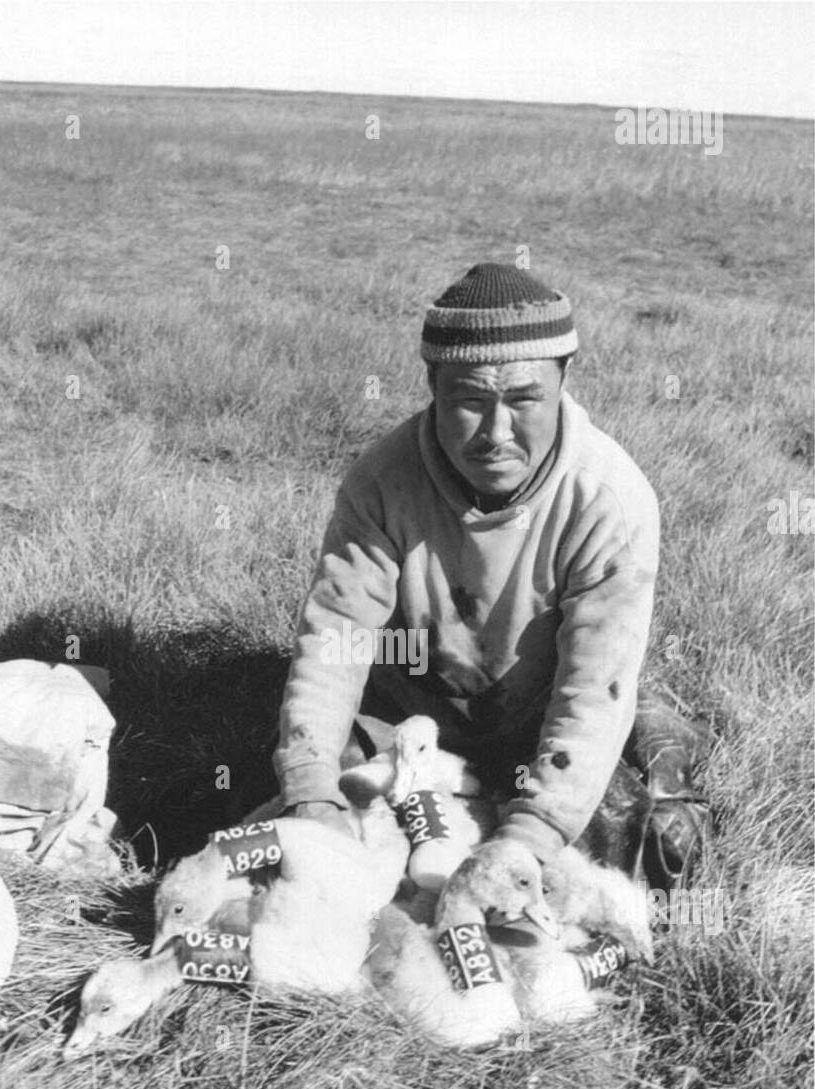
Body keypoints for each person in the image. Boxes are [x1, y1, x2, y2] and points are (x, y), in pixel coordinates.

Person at [267, 262, 709, 894]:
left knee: (654, 848)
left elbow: (591, 686)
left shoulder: (609, 499)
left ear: (563, 382)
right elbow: (337, 641)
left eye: (524, 400)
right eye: (470, 401)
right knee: (297, 811)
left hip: (546, 710)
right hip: (412, 710)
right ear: (432, 388)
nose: (497, 434)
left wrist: (531, 837)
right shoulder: (381, 481)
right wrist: (311, 793)